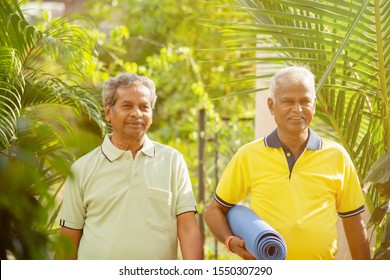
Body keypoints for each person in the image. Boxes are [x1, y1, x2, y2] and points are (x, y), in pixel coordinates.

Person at [204, 66, 371, 260]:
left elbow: (355, 226)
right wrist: (230, 242)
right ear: (271, 105)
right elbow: (214, 211)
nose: (297, 109)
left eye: (305, 101)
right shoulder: (248, 155)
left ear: (314, 105)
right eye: (287, 101)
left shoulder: (337, 156)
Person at [55, 73, 203, 260]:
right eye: (127, 106)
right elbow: (68, 242)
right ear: (108, 112)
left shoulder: (173, 161)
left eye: (144, 107)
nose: (137, 113)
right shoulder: (81, 169)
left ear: (151, 113)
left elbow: (189, 230)